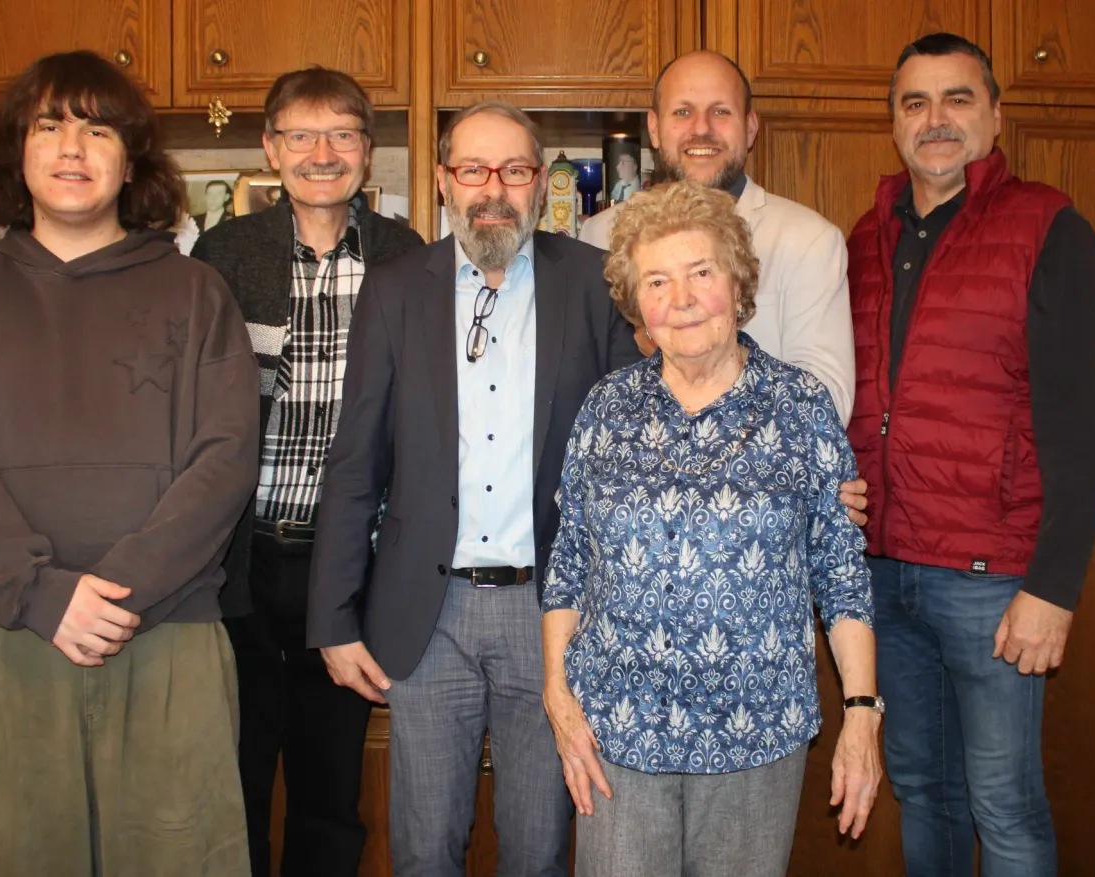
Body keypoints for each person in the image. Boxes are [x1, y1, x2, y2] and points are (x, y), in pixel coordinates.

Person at [0, 51, 258, 877]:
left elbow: (226, 458)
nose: (72, 146)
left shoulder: (197, 293)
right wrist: (43, 594)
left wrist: (120, 591)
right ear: (15, 154)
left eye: (98, 129)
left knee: (182, 859)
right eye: (49, 125)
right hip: (6, 637)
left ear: (130, 160)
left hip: (167, 634)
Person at [307, 101, 641, 876]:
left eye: (515, 170)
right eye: (473, 170)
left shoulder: (594, 284)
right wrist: (332, 618)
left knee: (539, 849)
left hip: (553, 614)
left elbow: (632, 457)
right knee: (423, 850)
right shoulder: (394, 292)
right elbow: (355, 461)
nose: (494, 189)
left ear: (541, 180)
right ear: (442, 181)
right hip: (426, 618)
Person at [543, 179, 882, 877]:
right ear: (638, 305)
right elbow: (570, 560)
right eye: (658, 281)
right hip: (618, 734)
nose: (683, 297)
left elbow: (843, 576)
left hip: (755, 735)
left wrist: (861, 714)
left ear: (737, 282)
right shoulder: (607, 409)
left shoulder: (799, 406)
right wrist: (557, 691)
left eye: (702, 272)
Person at [847, 33, 1095, 877]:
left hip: (994, 579)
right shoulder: (863, 239)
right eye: (916, 103)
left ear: (995, 116)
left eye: (958, 99)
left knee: (1005, 803)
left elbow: (1083, 424)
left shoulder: (1049, 227)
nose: (937, 120)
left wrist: (1053, 587)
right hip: (884, 571)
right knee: (925, 790)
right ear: (894, 122)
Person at [191, 67, 423, 877]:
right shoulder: (223, 253)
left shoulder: (407, 257)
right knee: (236, 781)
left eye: (343, 135)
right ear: (269, 148)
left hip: (351, 567)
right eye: (300, 135)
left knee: (330, 793)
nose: (322, 153)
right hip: (238, 564)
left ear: (369, 151)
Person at [580, 51, 855, 425]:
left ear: (751, 127)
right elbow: (588, 389)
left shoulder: (809, 241)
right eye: (682, 112)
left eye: (721, 111)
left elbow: (827, 404)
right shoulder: (600, 234)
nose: (702, 128)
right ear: (655, 129)